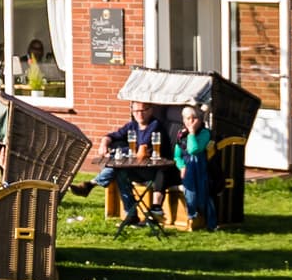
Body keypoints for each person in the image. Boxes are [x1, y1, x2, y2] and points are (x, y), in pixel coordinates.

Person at [97, 114, 170, 226]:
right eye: (136, 111)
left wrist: (120, 151)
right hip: (137, 168)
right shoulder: (132, 125)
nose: (139, 114)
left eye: (143, 110)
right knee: (120, 172)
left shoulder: (155, 125)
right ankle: (131, 215)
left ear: (150, 110)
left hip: (153, 171)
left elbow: (142, 146)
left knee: (118, 169)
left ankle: (93, 183)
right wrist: (104, 143)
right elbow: (113, 136)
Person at [175, 94, 227, 233]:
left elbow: (193, 149)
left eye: (194, 118)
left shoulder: (205, 134)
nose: (191, 121)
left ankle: (202, 218)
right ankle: (193, 214)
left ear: (200, 119)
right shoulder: (180, 135)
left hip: (204, 171)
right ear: (183, 120)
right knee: (190, 167)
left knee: (194, 160)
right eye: (187, 118)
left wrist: (192, 133)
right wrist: (181, 166)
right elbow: (177, 156)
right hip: (188, 172)